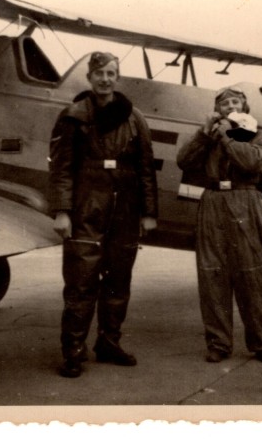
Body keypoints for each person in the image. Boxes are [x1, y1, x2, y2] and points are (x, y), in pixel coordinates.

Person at [48, 52, 158, 378]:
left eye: (111, 73)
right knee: (81, 284)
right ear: (89, 76)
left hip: (125, 210)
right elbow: (61, 170)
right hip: (86, 209)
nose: (105, 79)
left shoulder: (134, 119)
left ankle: (109, 343)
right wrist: (62, 212)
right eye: (99, 73)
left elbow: (145, 170)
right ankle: (73, 350)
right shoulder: (73, 116)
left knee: (118, 282)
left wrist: (148, 213)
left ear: (118, 77)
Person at [176, 86, 262, 364]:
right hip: (213, 201)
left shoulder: (259, 134)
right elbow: (183, 161)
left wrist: (225, 135)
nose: (230, 105)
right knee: (212, 274)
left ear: (245, 108)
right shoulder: (208, 137)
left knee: (252, 274)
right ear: (217, 109)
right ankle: (219, 343)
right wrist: (204, 134)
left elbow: (252, 162)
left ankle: (261, 344)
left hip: (246, 198)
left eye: (236, 101)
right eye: (224, 103)